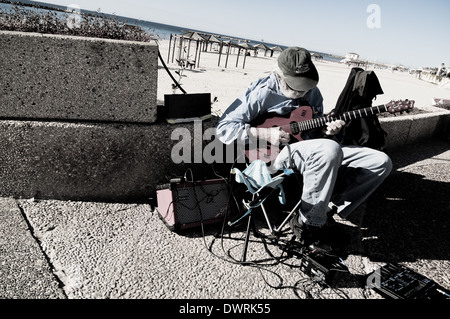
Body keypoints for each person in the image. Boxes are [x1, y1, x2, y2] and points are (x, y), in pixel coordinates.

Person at [216, 47, 392, 248]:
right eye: (296, 86)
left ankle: (325, 209)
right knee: (329, 149)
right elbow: (223, 129)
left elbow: (314, 134)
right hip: (272, 155)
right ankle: (309, 224)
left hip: (305, 148)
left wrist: (328, 132)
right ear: (280, 75)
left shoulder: (312, 92)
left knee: (380, 162)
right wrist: (266, 133)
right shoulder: (261, 93)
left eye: (305, 87)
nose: (302, 92)